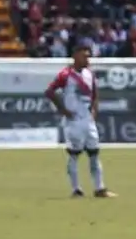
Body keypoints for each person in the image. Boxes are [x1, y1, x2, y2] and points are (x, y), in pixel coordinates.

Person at [45, 42, 116, 198]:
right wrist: (63, 110)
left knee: (94, 153)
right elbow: (49, 91)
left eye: (88, 56)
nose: (87, 59)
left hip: (88, 121)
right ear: (75, 56)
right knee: (74, 154)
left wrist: (94, 112)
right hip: (74, 121)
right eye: (84, 56)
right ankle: (76, 189)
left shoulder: (90, 74)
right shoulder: (65, 75)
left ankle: (100, 188)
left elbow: (95, 95)